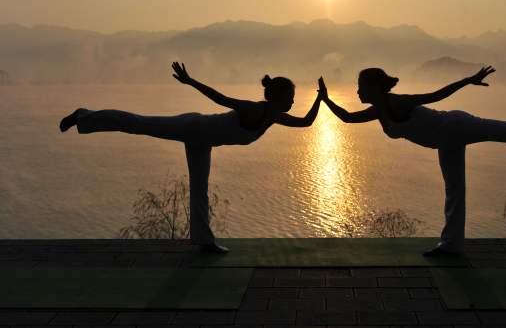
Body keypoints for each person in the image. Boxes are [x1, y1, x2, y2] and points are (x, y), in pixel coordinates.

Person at [319, 67, 506, 256]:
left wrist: (468, 80)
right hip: (445, 140)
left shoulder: (398, 103)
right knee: (454, 190)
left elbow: (436, 95)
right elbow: (347, 117)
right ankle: (451, 245)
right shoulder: (378, 110)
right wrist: (325, 99)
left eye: (360, 87)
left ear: (374, 87)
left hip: (455, 126)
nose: (357, 92)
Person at [60, 62, 326, 252]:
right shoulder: (255, 110)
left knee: (200, 189)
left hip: (203, 142)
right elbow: (220, 98)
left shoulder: (274, 117)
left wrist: (321, 99)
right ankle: (84, 115)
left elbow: (306, 122)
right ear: (278, 97)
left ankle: (204, 241)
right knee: (138, 123)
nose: (293, 102)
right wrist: (190, 81)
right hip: (193, 127)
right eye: (291, 97)